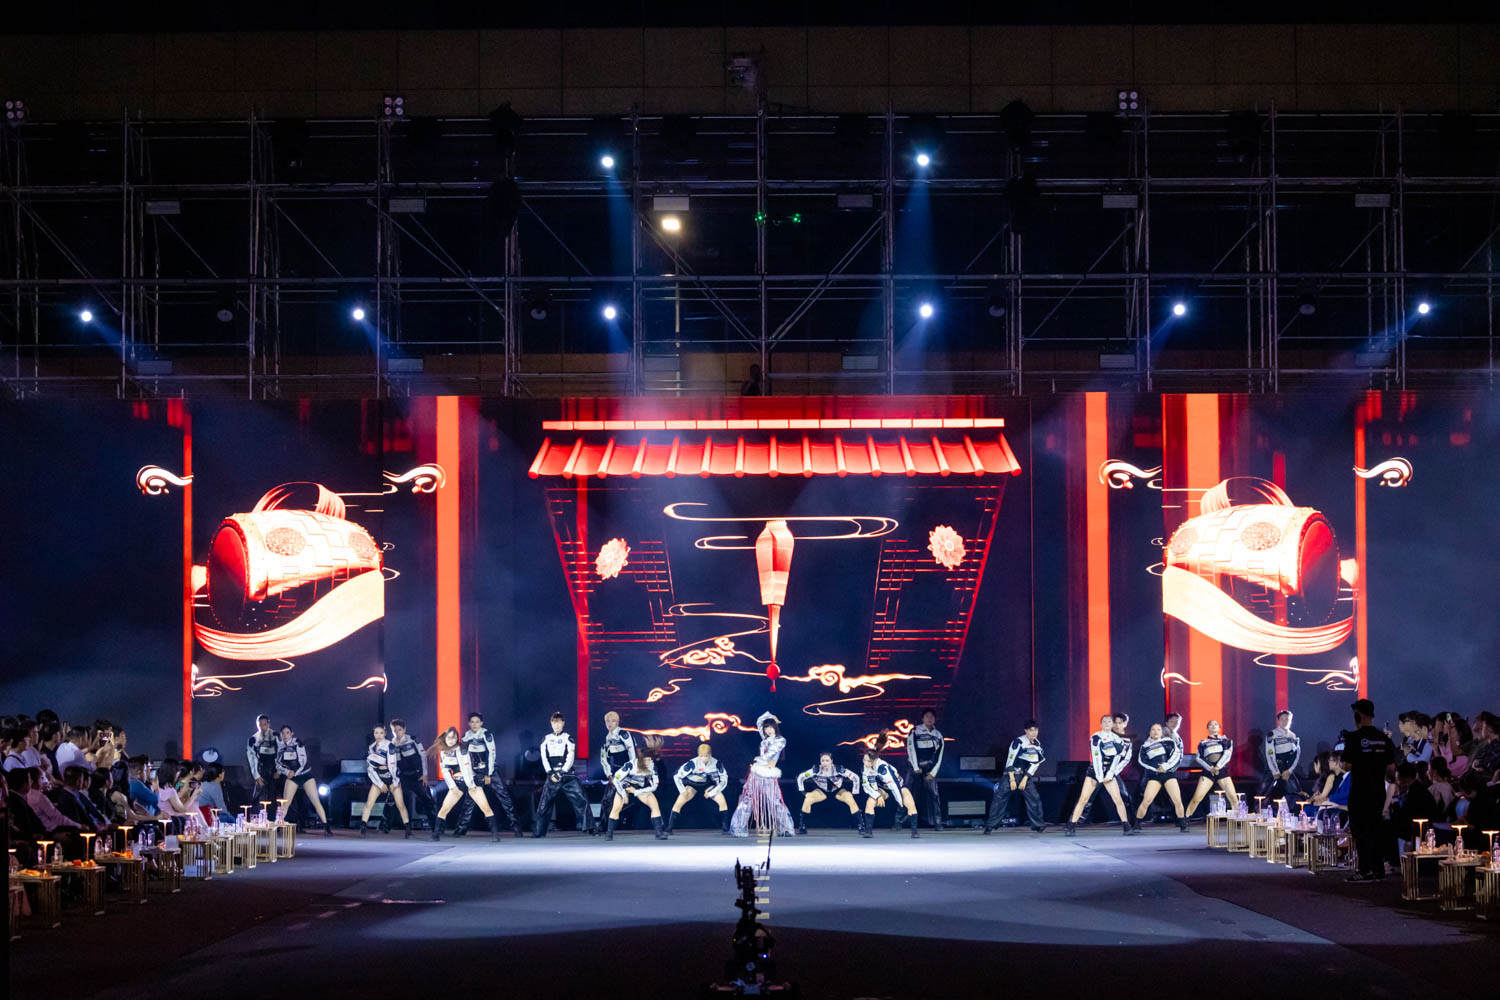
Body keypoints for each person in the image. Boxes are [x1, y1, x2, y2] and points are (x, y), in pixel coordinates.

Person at [1342, 698, 1395, 883]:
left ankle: (1364, 870)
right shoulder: (1384, 739)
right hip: (1378, 791)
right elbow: (1391, 769)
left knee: (1360, 831)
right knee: (1376, 830)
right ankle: (1378, 870)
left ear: (1358, 716)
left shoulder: (1353, 738)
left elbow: (1346, 765)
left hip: (1359, 791)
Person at [453, 711, 523, 838]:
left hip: (490, 771)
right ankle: (460, 829)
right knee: (470, 800)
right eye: (472, 722)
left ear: (481, 723)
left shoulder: (486, 734)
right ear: (469, 723)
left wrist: (488, 774)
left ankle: (516, 828)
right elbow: (462, 755)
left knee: (504, 797)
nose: (474, 724)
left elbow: (492, 754)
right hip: (474, 772)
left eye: (477, 722)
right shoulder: (465, 736)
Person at [730, 712, 797, 838]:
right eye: (766, 728)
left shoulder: (781, 740)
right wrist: (771, 716)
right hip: (756, 773)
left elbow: (771, 753)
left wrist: (759, 759)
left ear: (775, 727)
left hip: (768, 775)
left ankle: (786, 828)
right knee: (747, 799)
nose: (768, 730)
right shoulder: (765, 739)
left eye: (771, 727)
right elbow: (759, 721)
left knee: (775, 801)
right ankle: (738, 828)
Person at [1066, 714, 1133, 836]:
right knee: (1083, 799)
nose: (1107, 723)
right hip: (1095, 771)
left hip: (1109, 772)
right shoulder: (1096, 737)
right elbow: (1096, 757)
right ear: (1101, 724)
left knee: (1118, 799)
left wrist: (1110, 774)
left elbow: (1117, 758)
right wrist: (1100, 776)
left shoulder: (1118, 740)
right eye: (1104, 721)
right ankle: (1072, 825)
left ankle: (1126, 825)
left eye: (1109, 721)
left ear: (1112, 724)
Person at [431, 726, 501, 841]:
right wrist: (452, 786)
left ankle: (495, 835)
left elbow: (466, 769)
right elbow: (445, 771)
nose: (451, 740)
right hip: (457, 783)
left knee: (485, 807)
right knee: (444, 808)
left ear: (457, 738)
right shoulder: (443, 752)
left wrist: (472, 786)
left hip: (471, 781)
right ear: (445, 738)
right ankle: (436, 834)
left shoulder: (462, 749)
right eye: (449, 738)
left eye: (453, 738)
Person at [535, 712, 594, 837]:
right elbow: (544, 757)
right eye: (554, 723)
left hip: (568, 776)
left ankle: (591, 829)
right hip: (552, 775)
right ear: (551, 724)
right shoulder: (546, 739)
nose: (556, 725)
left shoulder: (568, 738)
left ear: (563, 723)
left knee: (581, 800)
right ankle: (539, 832)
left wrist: (562, 771)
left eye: (559, 722)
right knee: (544, 803)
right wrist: (550, 772)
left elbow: (570, 757)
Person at [984, 719, 1046, 833]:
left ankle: (1038, 825)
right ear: (1026, 731)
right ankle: (990, 825)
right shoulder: (1018, 742)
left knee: (1034, 798)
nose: (1034, 733)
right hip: (1011, 775)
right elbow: (1010, 761)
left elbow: (1035, 763)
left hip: (1025, 775)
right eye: (1031, 730)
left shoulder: (1037, 744)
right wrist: (1012, 779)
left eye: (1036, 730)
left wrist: (1025, 778)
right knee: (999, 799)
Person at [605, 736, 669, 841]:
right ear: (640, 760)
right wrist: (623, 794)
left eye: (649, 760)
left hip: (639, 787)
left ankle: (659, 833)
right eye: (646, 760)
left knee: (654, 804)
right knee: (616, 807)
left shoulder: (652, 767)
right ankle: (609, 834)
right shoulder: (630, 765)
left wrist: (636, 791)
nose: (648, 762)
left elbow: (654, 786)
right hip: (624, 786)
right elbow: (616, 780)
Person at [859, 731, 920, 838]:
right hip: (883, 789)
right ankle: (868, 831)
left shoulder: (883, 769)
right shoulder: (865, 768)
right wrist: (877, 796)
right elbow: (866, 786)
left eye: (867, 761)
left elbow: (894, 785)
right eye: (864, 760)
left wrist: (900, 801)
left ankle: (914, 832)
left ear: (874, 761)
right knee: (870, 802)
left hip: (898, 786)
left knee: (910, 803)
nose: (864, 763)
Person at [275, 725, 333, 836]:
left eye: (287, 733)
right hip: (292, 777)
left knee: (316, 801)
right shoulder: (280, 747)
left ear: (292, 733)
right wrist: (286, 772)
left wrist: (294, 771)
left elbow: (303, 761)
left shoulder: (298, 743)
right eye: (283, 733)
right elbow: (277, 764)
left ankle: (326, 826)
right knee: (286, 803)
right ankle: (277, 826)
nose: (285, 735)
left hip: (305, 774)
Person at [359, 724, 410, 837]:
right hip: (379, 778)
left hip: (391, 777)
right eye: (376, 733)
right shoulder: (371, 747)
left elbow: (393, 765)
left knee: (400, 804)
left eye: (381, 733)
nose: (378, 735)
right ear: (373, 734)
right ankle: (363, 827)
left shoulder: (389, 745)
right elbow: (370, 768)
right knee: (369, 803)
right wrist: (380, 783)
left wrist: (394, 782)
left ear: (385, 734)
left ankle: (407, 828)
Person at [1135, 722, 1188, 831]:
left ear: (1162, 732)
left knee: (1177, 800)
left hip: (1168, 774)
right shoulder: (1145, 746)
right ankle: (1137, 824)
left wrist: (1166, 766)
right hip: (1155, 775)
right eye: (1153, 729)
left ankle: (1182, 823)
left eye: (1158, 729)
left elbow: (1176, 756)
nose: (1155, 732)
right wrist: (1156, 768)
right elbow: (1142, 761)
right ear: (1150, 732)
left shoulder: (1169, 742)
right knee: (1147, 800)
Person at [670, 741, 731, 834]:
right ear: (698, 755)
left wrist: (712, 792)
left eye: (706, 756)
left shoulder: (717, 763)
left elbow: (724, 780)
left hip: (708, 785)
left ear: (710, 755)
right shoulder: (692, 763)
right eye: (701, 756)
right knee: (680, 800)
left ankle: (725, 827)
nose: (703, 759)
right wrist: (682, 791)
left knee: (722, 800)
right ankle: (669, 827)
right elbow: (676, 776)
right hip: (693, 784)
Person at [794, 752, 860, 834]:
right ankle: (802, 827)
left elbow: (855, 777)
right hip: (821, 791)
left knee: (850, 798)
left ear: (831, 761)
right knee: (808, 799)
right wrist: (803, 792)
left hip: (838, 790)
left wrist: (855, 792)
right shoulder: (815, 770)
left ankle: (861, 826)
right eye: (823, 761)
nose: (825, 763)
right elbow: (800, 777)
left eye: (827, 760)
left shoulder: (839, 769)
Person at [1183, 719, 1238, 816]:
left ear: (1219, 728)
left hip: (1222, 771)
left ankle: (1238, 818)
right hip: (1208, 772)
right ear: (1207, 729)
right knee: (1197, 798)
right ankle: (1185, 818)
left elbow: (1227, 755)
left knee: (1233, 797)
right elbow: (1199, 757)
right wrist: (1211, 768)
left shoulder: (1226, 740)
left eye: (1215, 724)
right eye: (1210, 725)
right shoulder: (1203, 743)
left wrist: (1218, 767)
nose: (1213, 726)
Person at [596, 711, 638, 834]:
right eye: (607, 721)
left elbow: (632, 753)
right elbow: (604, 758)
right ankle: (604, 826)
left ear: (618, 722)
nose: (610, 724)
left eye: (613, 721)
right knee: (607, 800)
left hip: (628, 771)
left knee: (640, 797)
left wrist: (632, 771)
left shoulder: (624, 734)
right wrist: (609, 774)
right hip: (616, 772)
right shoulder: (607, 738)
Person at [389, 718, 433, 832]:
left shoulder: (413, 740)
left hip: (417, 776)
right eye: (395, 730)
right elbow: (392, 763)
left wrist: (425, 774)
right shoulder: (391, 744)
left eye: (399, 730)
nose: (397, 732)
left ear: (404, 729)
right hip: (402, 776)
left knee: (428, 800)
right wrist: (394, 778)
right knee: (394, 800)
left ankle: (436, 826)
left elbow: (423, 756)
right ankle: (387, 826)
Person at [904, 709, 945, 830]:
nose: (929, 719)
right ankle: (899, 822)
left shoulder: (938, 735)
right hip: (913, 767)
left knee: (934, 795)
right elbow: (911, 749)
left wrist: (933, 772)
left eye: (932, 716)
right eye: (927, 716)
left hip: (929, 767)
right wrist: (916, 767)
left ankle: (937, 822)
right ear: (922, 719)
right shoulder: (915, 731)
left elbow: (940, 755)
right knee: (907, 792)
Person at [20, 766, 79, 833]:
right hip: (49, 830)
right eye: (42, 778)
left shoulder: (27, 794)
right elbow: (57, 817)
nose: (44, 781)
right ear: (33, 781)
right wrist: (79, 825)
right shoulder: (39, 797)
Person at [1263, 710, 1301, 801]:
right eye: (1282, 719)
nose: (1284, 722)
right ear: (1278, 721)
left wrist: (1289, 770)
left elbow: (1297, 754)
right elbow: (1270, 753)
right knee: (1265, 792)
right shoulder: (1272, 734)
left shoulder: (1293, 735)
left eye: (1287, 719)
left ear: (1291, 721)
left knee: (1295, 790)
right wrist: (1275, 771)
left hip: (1287, 768)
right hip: (1274, 766)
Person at [247, 714, 280, 809]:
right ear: (257, 725)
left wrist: (278, 771)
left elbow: (280, 753)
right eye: (260, 725)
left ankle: (272, 816)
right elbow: (251, 758)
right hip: (261, 769)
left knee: (273, 795)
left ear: (268, 724)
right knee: (257, 794)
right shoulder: (253, 739)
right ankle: (252, 814)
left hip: (274, 768)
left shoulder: (276, 736)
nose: (262, 727)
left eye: (264, 724)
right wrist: (256, 775)